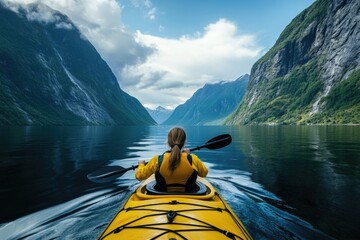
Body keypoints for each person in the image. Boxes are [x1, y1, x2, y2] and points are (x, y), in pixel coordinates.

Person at [135, 127, 208, 192]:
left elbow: (140, 176)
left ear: (168, 142)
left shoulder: (157, 160)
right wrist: (188, 156)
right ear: (184, 142)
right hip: (190, 195)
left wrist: (141, 164)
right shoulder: (193, 159)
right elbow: (204, 173)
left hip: (161, 195)